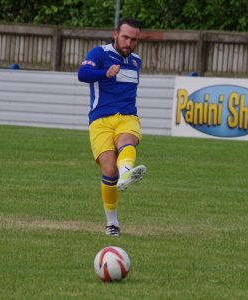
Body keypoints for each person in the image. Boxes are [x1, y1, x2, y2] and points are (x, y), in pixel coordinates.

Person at [78, 18, 146, 237]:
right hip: (100, 119)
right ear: (115, 34)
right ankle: (112, 223)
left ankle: (126, 173)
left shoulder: (136, 61)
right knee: (108, 170)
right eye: (125, 37)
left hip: (127, 117)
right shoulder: (99, 53)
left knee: (127, 140)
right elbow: (82, 74)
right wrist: (104, 73)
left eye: (133, 39)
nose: (128, 42)